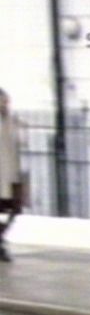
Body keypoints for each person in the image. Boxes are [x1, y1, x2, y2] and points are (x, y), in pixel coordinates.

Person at [0, 87, 23, 262]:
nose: (6, 104)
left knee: (13, 209)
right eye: (3, 101)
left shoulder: (10, 120)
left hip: (10, 174)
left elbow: (19, 142)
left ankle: (0, 239)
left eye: (6, 101)